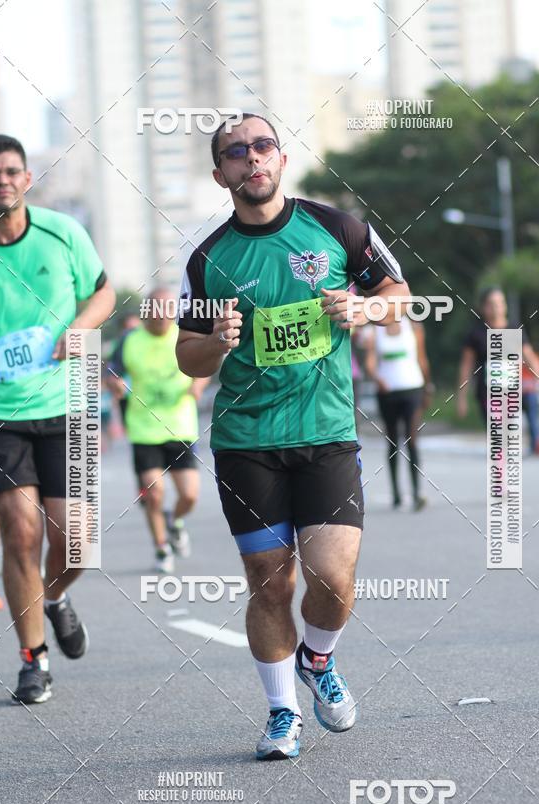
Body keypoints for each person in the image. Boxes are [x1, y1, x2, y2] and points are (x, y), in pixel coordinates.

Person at [176, 113, 410, 760]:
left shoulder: (338, 228)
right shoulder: (207, 259)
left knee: (332, 580)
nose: (251, 159)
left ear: (281, 157)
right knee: (269, 581)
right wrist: (214, 343)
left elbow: (400, 293)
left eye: (262, 146)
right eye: (235, 153)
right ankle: (283, 712)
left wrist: (364, 308)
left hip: (327, 432)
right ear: (219, 172)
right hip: (246, 441)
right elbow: (186, 356)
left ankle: (318, 657)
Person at [0, 134, 115, 703]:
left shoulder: (62, 232)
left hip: (70, 399)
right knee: (21, 531)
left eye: (12, 171)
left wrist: (81, 328)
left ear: (27, 178)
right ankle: (33, 659)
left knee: (78, 542)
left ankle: (52, 597)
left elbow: (104, 294)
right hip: (1, 413)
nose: (3, 180)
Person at [107, 287, 208, 573]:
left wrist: (198, 386)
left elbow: (206, 364)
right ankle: (162, 548)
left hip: (181, 427)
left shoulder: (184, 333)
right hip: (144, 429)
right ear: (147, 312)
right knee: (153, 492)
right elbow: (110, 370)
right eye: (156, 311)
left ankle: (175, 522)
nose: (162, 317)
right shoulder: (130, 339)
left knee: (189, 496)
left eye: (168, 311)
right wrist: (114, 383)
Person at [364, 311, 432, 509]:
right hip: (387, 392)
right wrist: (377, 379)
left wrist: (428, 387)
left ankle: (417, 493)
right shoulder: (376, 330)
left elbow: (422, 358)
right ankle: (396, 493)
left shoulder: (414, 327)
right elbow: (370, 363)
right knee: (393, 441)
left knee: (412, 438)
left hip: (412, 388)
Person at [457, 287, 539, 427]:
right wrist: (462, 397)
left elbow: (529, 357)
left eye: (500, 303)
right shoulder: (476, 333)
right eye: (491, 304)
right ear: (483, 307)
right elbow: (466, 366)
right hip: (488, 393)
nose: (496, 308)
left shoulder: (515, 329)